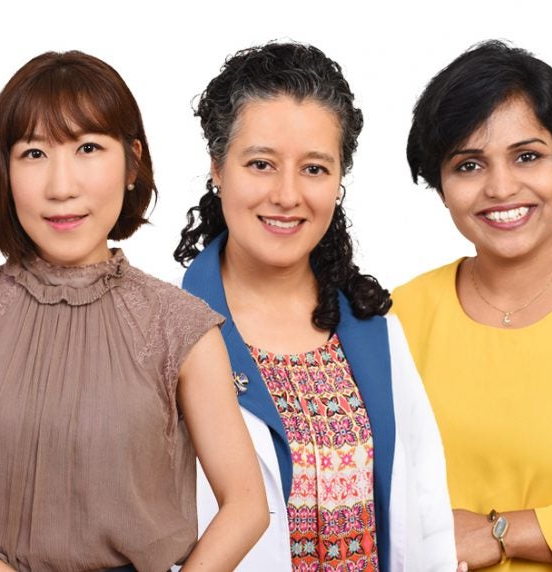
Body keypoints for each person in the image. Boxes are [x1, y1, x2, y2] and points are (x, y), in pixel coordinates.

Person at [0, 51, 267, 572]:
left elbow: (246, 506)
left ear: (132, 163)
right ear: (5, 168)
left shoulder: (180, 326)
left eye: (88, 148)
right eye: (34, 153)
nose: (61, 186)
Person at [174, 42, 455, 571]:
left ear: (339, 180)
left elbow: (429, 517)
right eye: (261, 164)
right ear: (217, 167)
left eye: (315, 169)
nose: (286, 194)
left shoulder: (375, 331)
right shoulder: (165, 332)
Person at [394, 40, 552, 571]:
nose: (501, 187)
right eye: (469, 164)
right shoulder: (398, 316)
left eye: (527, 156)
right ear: (441, 186)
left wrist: (503, 533)